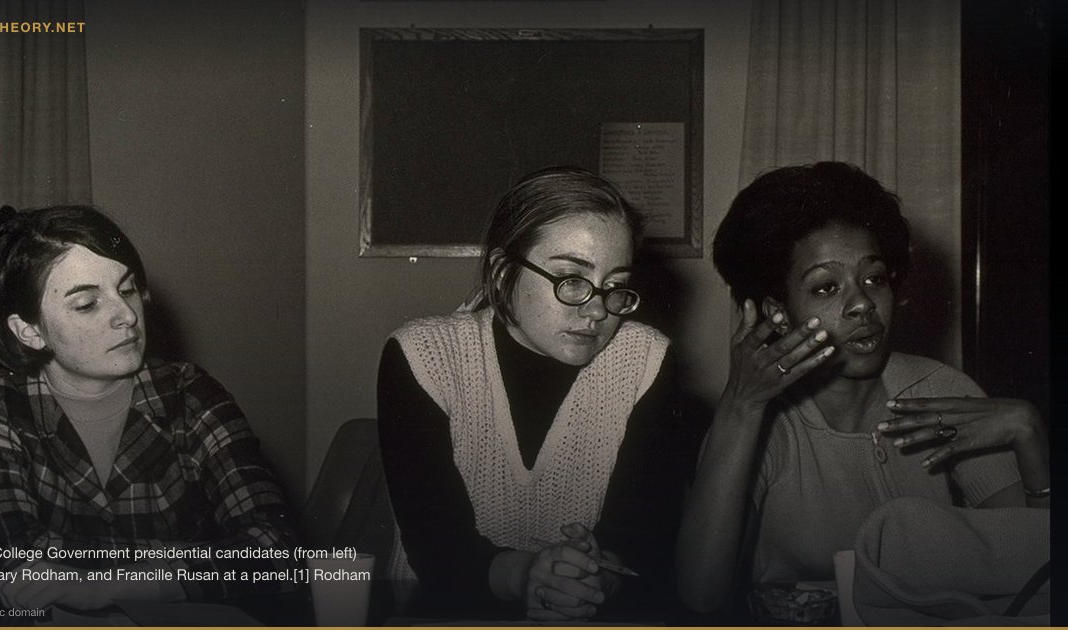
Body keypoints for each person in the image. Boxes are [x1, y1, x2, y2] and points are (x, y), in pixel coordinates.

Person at [676, 162, 1050, 614]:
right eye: (826, 287)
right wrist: (741, 404)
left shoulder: (941, 389)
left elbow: (1034, 575)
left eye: (873, 279)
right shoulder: (761, 419)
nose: (861, 305)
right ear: (778, 312)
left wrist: (1029, 436)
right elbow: (701, 598)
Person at [377, 166, 704, 621]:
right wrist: (526, 574)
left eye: (615, 286)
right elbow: (437, 549)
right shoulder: (423, 356)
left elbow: (636, 534)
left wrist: (596, 569)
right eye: (571, 279)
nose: (596, 310)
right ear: (502, 270)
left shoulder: (646, 361)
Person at [0, 205, 301, 611]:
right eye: (87, 303)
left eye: (127, 288)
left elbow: (276, 552)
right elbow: (15, 558)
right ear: (29, 332)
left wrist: (108, 584)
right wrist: (188, 567)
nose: (126, 315)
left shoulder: (192, 394)